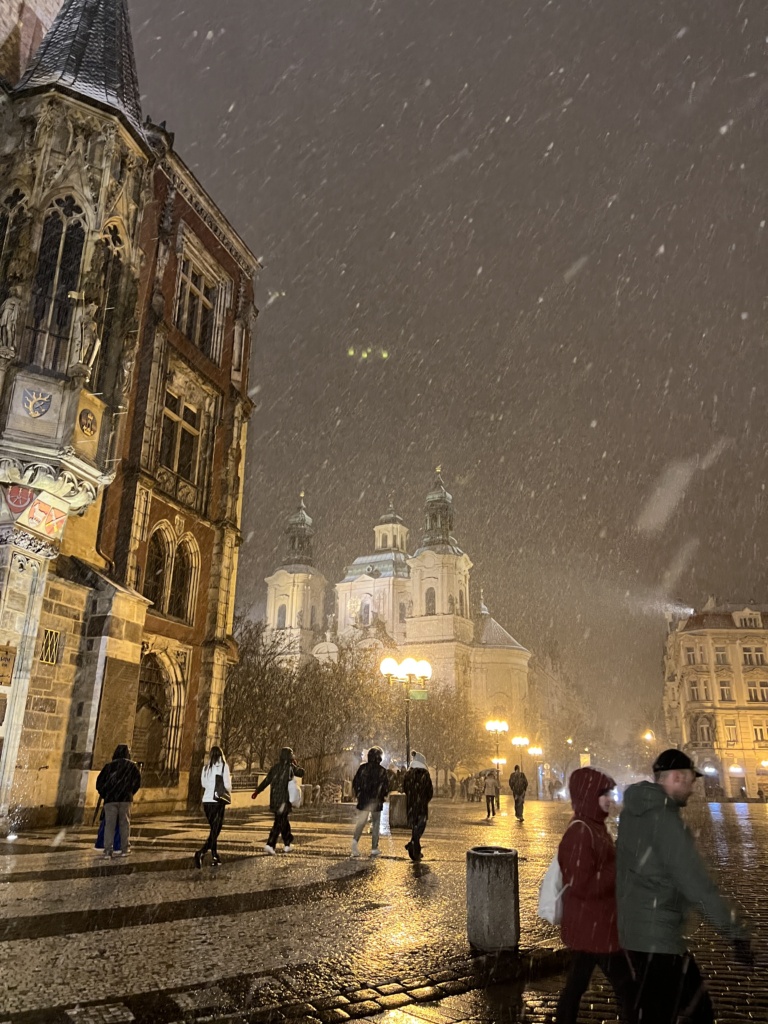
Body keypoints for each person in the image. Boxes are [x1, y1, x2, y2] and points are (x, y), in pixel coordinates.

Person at [617, 748, 753, 1024]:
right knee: (696, 1014)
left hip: (636, 931)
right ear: (676, 777)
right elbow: (696, 884)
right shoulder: (664, 820)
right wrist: (734, 932)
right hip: (659, 938)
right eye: (691, 779)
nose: (693, 788)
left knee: (655, 1013)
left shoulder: (635, 812)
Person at [554, 767, 636, 1024]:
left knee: (576, 985)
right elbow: (583, 886)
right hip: (594, 927)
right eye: (604, 794)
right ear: (589, 796)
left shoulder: (595, 825)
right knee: (629, 989)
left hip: (595, 925)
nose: (610, 799)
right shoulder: (580, 832)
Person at [251, 746, 305, 854]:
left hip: (275, 799)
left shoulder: (275, 767)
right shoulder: (290, 767)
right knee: (279, 822)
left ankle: (287, 844)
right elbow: (302, 772)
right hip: (284, 800)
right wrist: (295, 764)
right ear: (290, 756)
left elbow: (266, 781)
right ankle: (270, 844)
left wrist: (257, 791)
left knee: (283, 821)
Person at [95, 744, 141, 859]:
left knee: (109, 825)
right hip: (125, 799)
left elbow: (99, 783)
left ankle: (107, 851)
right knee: (124, 824)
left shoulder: (109, 766)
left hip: (110, 799)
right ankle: (124, 848)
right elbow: (137, 783)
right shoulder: (132, 766)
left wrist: (106, 793)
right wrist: (130, 792)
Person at [195, 746, 231, 868]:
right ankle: (201, 852)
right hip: (218, 801)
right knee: (216, 829)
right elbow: (227, 785)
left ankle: (215, 855)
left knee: (214, 829)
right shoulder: (223, 767)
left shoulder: (206, 768)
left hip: (207, 801)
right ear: (221, 754)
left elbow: (203, 784)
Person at [350, 745, 389, 858]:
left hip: (364, 799)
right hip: (376, 800)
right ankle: (374, 848)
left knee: (361, 822)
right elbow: (385, 787)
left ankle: (355, 841)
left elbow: (356, 782)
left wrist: (359, 794)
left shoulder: (362, 768)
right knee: (376, 823)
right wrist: (383, 795)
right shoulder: (382, 771)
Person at [402, 751, 433, 861]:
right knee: (421, 826)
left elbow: (405, 788)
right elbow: (430, 792)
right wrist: (424, 799)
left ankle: (415, 849)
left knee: (415, 826)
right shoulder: (425, 774)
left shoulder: (408, 774)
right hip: (421, 805)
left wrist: (412, 797)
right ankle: (414, 846)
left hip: (411, 804)